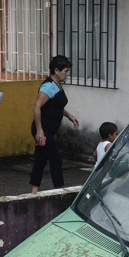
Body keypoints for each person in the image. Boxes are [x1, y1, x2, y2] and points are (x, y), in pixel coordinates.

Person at [30, 55, 79, 193]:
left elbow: (55, 106)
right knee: (56, 159)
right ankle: (59, 191)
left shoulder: (57, 85)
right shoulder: (48, 86)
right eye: (65, 71)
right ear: (56, 70)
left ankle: (34, 191)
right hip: (43, 130)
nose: (67, 74)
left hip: (49, 129)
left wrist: (69, 116)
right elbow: (36, 107)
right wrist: (40, 130)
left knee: (40, 159)